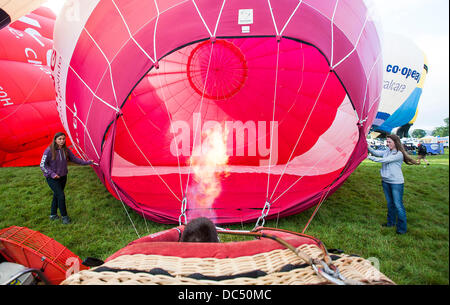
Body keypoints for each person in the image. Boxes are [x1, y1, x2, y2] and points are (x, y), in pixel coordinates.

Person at [367, 134, 419, 235]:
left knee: (398, 205)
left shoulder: (398, 154)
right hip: (386, 181)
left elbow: (384, 160)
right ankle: (390, 223)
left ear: (395, 142)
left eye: (389, 142)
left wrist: (368, 157)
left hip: (396, 183)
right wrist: (366, 146)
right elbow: (376, 153)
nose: (387, 143)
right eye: (387, 141)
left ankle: (402, 229)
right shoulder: (387, 151)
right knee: (390, 204)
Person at [40, 132, 93, 224]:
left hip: (63, 177)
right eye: (59, 139)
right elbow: (42, 165)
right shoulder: (49, 150)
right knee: (61, 196)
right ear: (55, 140)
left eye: (63, 139)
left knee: (57, 195)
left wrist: (87, 162)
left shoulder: (66, 150)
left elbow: (75, 159)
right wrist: (52, 174)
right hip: (52, 178)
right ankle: (64, 217)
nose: (62, 141)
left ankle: (53, 215)